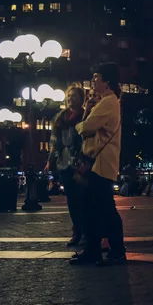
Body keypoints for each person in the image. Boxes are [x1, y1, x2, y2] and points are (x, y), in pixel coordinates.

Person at [70, 63, 125, 266]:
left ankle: (117, 251)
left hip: (102, 164)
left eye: (96, 77)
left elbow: (86, 128)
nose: (93, 82)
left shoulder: (109, 102)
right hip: (98, 164)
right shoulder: (104, 102)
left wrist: (80, 124)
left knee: (105, 209)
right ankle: (93, 250)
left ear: (106, 81)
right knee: (90, 208)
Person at [45, 83, 85, 247]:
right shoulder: (60, 117)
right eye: (69, 96)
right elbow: (54, 141)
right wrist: (50, 160)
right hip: (64, 163)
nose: (70, 99)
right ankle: (77, 231)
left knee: (83, 199)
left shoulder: (85, 115)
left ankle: (87, 232)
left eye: (74, 96)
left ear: (81, 99)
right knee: (72, 200)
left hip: (79, 163)